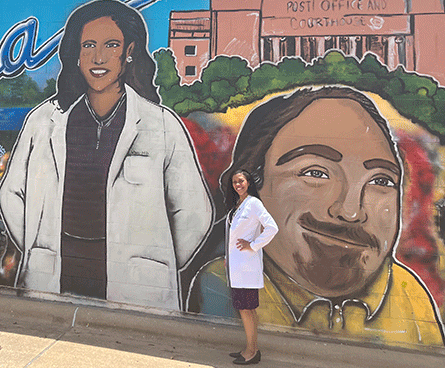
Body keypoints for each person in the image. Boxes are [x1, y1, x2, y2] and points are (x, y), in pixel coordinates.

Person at [0, 0, 213, 310]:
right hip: (55, 278)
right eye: (88, 45)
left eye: (111, 44)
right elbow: (11, 193)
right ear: (75, 53)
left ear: (129, 52)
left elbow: (194, 212)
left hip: (138, 291)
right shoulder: (44, 120)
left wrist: (152, 261)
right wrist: (38, 246)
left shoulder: (161, 125)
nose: (98, 57)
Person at [188, 86, 445, 347]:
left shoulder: (407, 292)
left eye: (380, 180)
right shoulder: (226, 283)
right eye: (316, 173)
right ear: (253, 182)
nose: (350, 211)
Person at [226, 169, 277, 365]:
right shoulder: (239, 205)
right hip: (236, 265)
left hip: (246, 266)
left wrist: (253, 245)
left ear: (249, 182)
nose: (237, 185)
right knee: (245, 309)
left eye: (241, 181)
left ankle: (252, 352)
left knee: (247, 310)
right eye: (234, 182)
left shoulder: (254, 203)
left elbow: (272, 227)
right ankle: (250, 347)